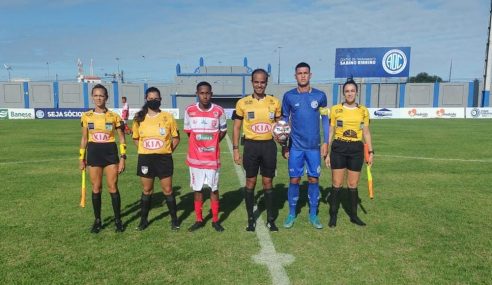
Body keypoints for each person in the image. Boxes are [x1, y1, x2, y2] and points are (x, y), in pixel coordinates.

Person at [281, 62, 330, 230]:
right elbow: (283, 122)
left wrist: (326, 142)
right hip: (295, 147)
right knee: (294, 179)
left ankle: (313, 214)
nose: (302, 75)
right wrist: (284, 145)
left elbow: (325, 119)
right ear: (295, 76)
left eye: (305, 73)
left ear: (310, 75)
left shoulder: (320, 96)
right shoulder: (288, 96)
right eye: (299, 73)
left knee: (313, 179)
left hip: (313, 147)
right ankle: (292, 213)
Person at [232, 68, 281, 232]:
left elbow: (281, 126)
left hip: (268, 146)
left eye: (262, 82)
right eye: (256, 82)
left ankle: (270, 220)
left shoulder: (274, 102)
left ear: (266, 83)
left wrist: (284, 141)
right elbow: (237, 127)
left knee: (267, 182)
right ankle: (250, 219)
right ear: (252, 82)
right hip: (251, 146)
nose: (259, 85)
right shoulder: (242, 103)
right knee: (250, 182)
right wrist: (236, 149)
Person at [325, 78, 373, 227]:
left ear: (356, 93)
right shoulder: (335, 109)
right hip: (339, 147)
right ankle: (333, 216)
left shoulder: (363, 110)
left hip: (356, 149)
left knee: (352, 184)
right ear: (343, 93)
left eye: (352, 91)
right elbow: (331, 130)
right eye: (347, 91)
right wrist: (327, 151)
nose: (350, 93)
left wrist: (370, 151)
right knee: (337, 183)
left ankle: (354, 216)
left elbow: (366, 133)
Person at [79, 84, 126, 233]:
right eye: (96, 95)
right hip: (94, 152)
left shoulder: (114, 116)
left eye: (101, 95)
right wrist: (81, 158)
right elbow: (84, 139)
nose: (99, 98)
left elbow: (122, 138)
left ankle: (118, 220)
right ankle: (97, 220)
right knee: (96, 187)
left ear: (106, 97)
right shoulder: (86, 116)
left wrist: (123, 158)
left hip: (110, 152)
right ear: (92, 97)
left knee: (112, 187)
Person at [132, 87, 180, 231]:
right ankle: (143, 220)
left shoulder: (168, 117)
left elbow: (176, 138)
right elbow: (136, 139)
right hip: (145, 159)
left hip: (163, 159)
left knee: (168, 189)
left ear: (160, 100)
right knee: (147, 190)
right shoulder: (139, 118)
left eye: (156, 98)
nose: (154, 101)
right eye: (151, 98)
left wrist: (166, 150)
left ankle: (174, 220)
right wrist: (145, 150)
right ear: (146, 99)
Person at [184, 81, 227, 232]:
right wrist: (200, 145)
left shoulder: (219, 111)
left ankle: (215, 220)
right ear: (197, 94)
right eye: (202, 93)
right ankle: (199, 219)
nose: (205, 96)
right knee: (197, 189)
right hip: (195, 160)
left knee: (214, 190)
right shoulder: (189, 110)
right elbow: (189, 132)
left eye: (207, 93)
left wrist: (211, 144)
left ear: (211, 94)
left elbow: (222, 132)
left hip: (212, 159)